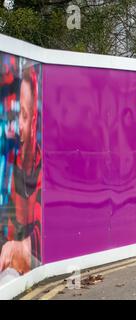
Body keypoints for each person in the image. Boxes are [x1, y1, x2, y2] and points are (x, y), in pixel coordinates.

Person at [0, 65, 42, 275]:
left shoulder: (45, 170)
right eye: (16, 116)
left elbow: (45, 234)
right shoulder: (8, 166)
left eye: (24, 116)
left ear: (34, 122)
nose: (19, 127)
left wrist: (21, 247)